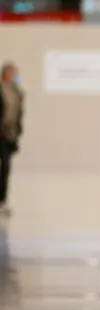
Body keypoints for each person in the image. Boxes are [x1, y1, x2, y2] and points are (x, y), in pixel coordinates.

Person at [0, 62, 24, 218]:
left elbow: (18, 114)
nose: (16, 76)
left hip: (9, 136)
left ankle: (2, 201)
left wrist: (18, 132)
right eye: (14, 73)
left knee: (6, 168)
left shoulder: (18, 93)